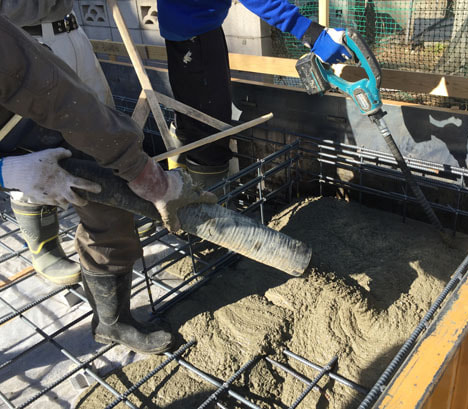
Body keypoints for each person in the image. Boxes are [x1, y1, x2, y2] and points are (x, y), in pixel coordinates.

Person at [0, 15, 217, 354]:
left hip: (18, 106)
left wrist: (144, 174)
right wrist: (6, 172)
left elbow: (60, 97)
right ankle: (45, 248)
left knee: (107, 198)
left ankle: (112, 322)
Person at [157, 0, 351, 188]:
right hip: (195, 30)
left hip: (183, 24)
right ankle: (209, 206)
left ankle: (180, 194)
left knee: (190, 117)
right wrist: (310, 32)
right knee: (208, 132)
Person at [0, 1, 114, 286]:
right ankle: (45, 246)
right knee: (33, 148)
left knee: (103, 127)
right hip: (22, 39)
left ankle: (111, 219)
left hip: (73, 34)